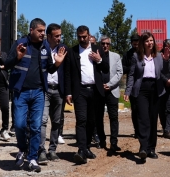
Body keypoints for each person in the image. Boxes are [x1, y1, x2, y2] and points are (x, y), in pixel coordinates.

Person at [5, 18, 66, 173]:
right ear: (31, 30)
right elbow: (7, 65)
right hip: (21, 92)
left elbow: (50, 69)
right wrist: (17, 57)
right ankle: (22, 150)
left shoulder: (45, 46)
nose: (42, 34)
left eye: (44, 31)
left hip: (39, 92)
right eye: (39, 31)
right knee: (19, 125)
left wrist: (57, 63)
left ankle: (32, 158)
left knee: (36, 127)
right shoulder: (20, 44)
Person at [64, 26, 108, 164]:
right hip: (80, 91)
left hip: (95, 91)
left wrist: (99, 60)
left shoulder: (97, 49)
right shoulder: (72, 51)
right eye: (79, 37)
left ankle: (87, 147)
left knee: (91, 121)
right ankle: (81, 149)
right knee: (81, 120)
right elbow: (68, 73)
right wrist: (68, 92)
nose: (82, 39)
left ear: (89, 35)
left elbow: (106, 69)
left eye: (84, 36)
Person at [125, 32, 165, 161]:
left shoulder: (158, 57)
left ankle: (151, 149)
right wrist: (127, 91)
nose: (150, 43)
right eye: (147, 41)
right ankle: (143, 147)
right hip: (141, 89)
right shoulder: (136, 57)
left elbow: (161, 73)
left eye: (151, 40)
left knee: (153, 119)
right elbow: (131, 75)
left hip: (155, 89)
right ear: (143, 43)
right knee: (143, 119)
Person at [42, 24, 67, 161]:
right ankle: (41, 150)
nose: (59, 38)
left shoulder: (64, 50)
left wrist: (68, 92)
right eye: (56, 35)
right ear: (49, 36)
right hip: (45, 90)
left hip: (59, 90)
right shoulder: (42, 49)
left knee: (57, 121)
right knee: (43, 120)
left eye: (60, 35)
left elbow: (67, 72)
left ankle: (52, 150)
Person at [98, 36, 123, 152]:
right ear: (100, 44)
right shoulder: (95, 55)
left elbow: (119, 73)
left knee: (113, 118)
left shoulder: (116, 56)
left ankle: (114, 142)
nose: (105, 45)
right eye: (103, 43)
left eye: (107, 44)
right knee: (99, 118)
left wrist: (109, 84)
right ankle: (101, 141)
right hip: (99, 91)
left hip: (112, 90)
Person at [121, 34, 141, 137]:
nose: (136, 45)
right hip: (132, 84)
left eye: (137, 43)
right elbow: (123, 69)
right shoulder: (127, 54)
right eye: (134, 44)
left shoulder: (144, 53)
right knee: (135, 109)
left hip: (143, 84)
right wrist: (132, 68)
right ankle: (137, 130)